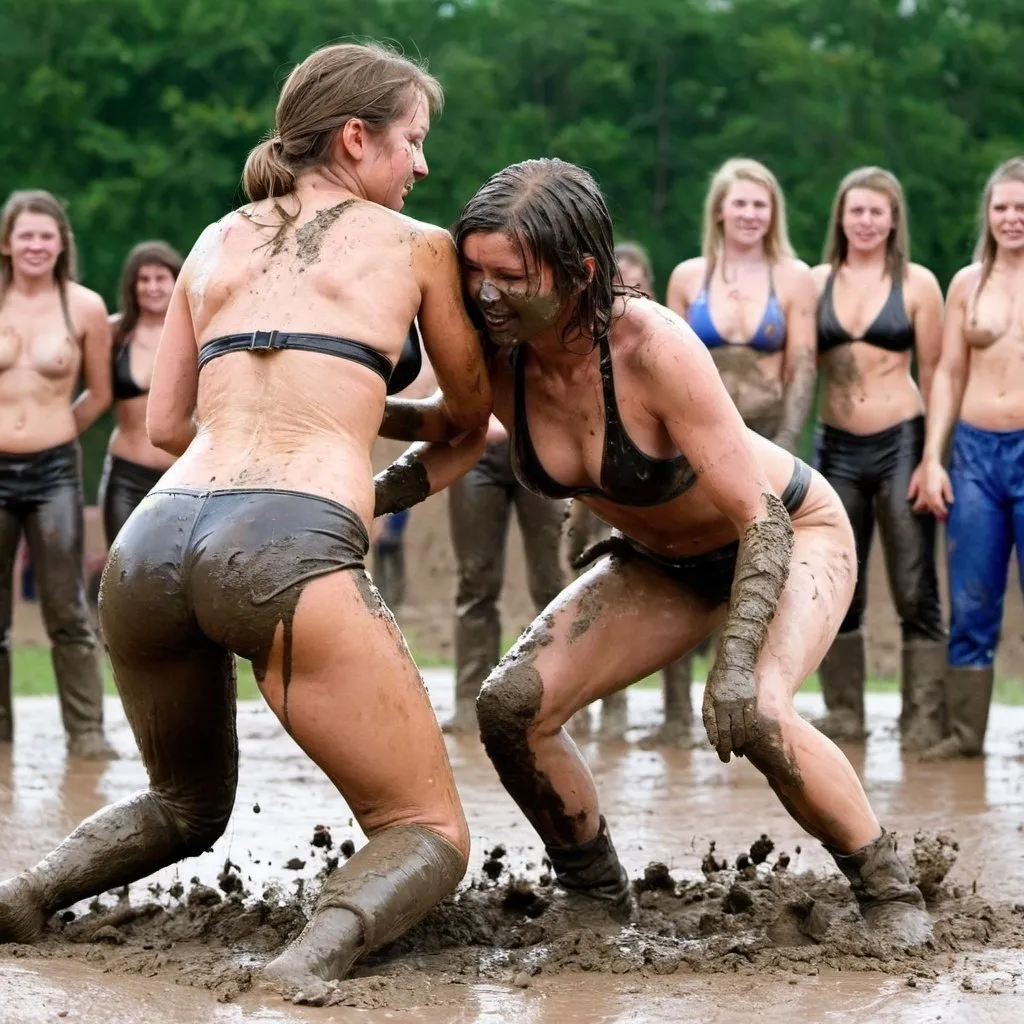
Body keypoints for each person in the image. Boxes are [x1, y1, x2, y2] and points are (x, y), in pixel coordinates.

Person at [0, 42, 492, 994]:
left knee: (184, 801)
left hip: (150, 543)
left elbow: (167, 422)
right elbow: (467, 417)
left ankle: (26, 892)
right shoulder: (418, 245)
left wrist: (324, 385)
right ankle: (305, 958)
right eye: (413, 142)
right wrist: (358, 408)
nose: (423, 167)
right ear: (356, 138)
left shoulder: (214, 238)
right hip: (283, 543)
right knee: (428, 830)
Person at [442, 158, 932, 947]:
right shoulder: (495, 343)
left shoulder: (653, 346)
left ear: (580, 273)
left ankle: (889, 895)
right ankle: (595, 893)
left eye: (511, 275)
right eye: (475, 273)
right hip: (657, 561)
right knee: (511, 709)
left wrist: (736, 664)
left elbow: (761, 519)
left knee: (761, 711)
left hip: (787, 532)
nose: (487, 293)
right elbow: (443, 423)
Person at [809, 168, 946, 747]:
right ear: (841, 216)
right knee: (841, 582)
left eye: (877, 212)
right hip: (835, 446)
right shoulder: (814, 281)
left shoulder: (918, 284)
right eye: (856, 211)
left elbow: (938, 373)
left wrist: (932, 458)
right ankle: (845, 713)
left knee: (913, 585)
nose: (866, 222)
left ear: (894, 219)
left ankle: (922, 720)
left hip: (902, 442)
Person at [913, 156, 1024, 760]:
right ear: (988, 213)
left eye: (1022, 208)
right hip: (976, 453)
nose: (1012, 218)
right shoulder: (966, 283)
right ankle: (965, 735)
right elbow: (949, 371)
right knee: (973, 595)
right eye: (1003, 207)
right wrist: (934, 458)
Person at [0, 190, 116, 758]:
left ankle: (87, 734)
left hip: (51, 471)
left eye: (47, 236)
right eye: (26, 235)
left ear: (61, 244)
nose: (36, 245)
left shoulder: (85, 306)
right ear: (7, 242)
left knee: (66, 605)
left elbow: (101, 389)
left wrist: (57, 426)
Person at [567, 241, 694, 743]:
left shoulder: (663, 335)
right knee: (597, 588)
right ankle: (604, 705)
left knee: (674, 590)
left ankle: (678, 713)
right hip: (596, 481)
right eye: (620, 279)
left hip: (658, 481)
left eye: (638, 280)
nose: (629, 288)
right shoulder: (585, 338)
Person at [666, 158, 817, 455]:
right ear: (720, 210)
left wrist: (788, 438)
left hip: (768, 431)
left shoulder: (795, 277)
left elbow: (802, 367)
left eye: (760, 206)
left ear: (773, 214)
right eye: (740, 204)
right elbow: (671, 367)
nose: (750, 214)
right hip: (701, 433)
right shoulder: (687, 277)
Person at [444, 383, 566, 735]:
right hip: (476, 451)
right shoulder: (461, 325)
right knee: (475, 581)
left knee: (552, 584)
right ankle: (470, 703)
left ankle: (561, 697)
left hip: (542, 447)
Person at [98, 241, 183, 547]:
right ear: (131, 286)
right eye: (143, 279)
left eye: (161, 278)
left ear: (178, 281)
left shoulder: (198, 332)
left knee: (177, 578)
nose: (152, 287)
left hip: (183, 476)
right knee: (121, 574)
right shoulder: (112, 333)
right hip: (125, 475)